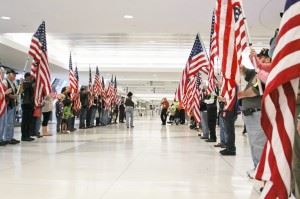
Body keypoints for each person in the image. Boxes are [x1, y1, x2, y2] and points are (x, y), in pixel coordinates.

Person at [238, 65, 266, 177]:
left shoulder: (264, 74)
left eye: (264, 58)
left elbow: (256, 89)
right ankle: (257, 167)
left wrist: (241, 95)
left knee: (258, 143)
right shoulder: (256, 72)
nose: (261, 61)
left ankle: (261, 170)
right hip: (250, 114)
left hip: (257, 112)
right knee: (254, 143)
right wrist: (242, 68)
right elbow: (248, 73)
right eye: (260, 58)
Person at [3, 69, 20, 144]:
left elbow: (16, 92)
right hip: (8, 104)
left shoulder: (13, 83)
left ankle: (10, 137)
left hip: (13, 104)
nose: (15, 76)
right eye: (14, 74)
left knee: (12, 122)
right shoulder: (5, 82)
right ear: (9, 74)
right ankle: (7, 138)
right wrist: (12, 96)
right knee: (8, 122)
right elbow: (4, 93)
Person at [20, 72, 35, 141]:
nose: (30, 78)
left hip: (30, 104)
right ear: (26, 77)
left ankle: (28, 135)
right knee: (25, 121)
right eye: (29, 77)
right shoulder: (25, 84)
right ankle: (24, 136)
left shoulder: (29, 84)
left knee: (29, 121)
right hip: (26, 104)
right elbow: (26, 87)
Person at [0, 67, 9, 146]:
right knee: (1, 122)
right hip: (1, 105)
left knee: (4, 123)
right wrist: (5, 93)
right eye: (2, 73)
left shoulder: (2, 83)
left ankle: (1, 138)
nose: (3, 75)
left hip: (4, 104)